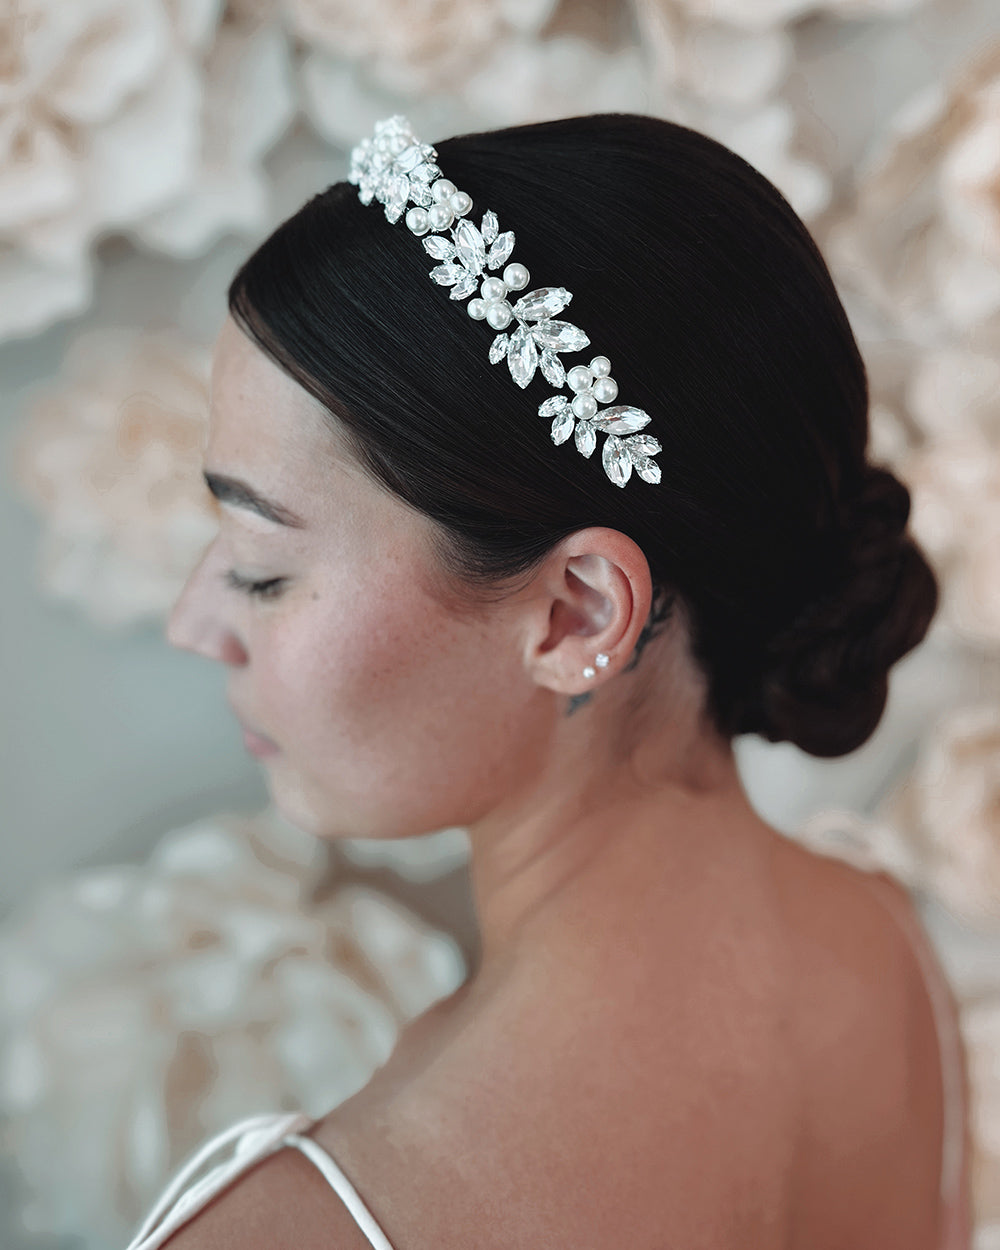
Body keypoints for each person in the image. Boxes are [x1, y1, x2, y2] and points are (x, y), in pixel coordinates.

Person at [132, 112, 972, 1248]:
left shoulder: (311, 1226)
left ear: (576, 611)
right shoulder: (878, 946)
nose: (197, 623)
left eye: (260, 568)